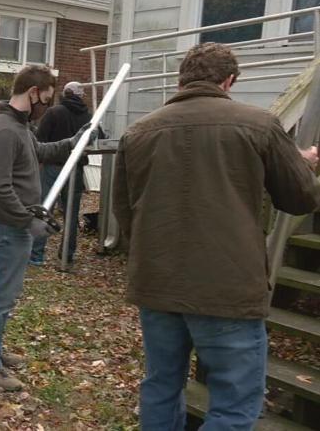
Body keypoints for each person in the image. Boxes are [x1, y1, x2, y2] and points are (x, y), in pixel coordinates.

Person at [112, 42, 320, 429]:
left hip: (158, 283)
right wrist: (303, 164)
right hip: (228, 288)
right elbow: (301, 197)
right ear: (229, 81)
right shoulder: (260, 125)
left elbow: (125, 211)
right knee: (235, 404)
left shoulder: (139, 131)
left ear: (181, 80)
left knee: (161, 386)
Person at [0, 64, 94, 390]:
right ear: (33, 93)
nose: (49, 104)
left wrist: (75, 140)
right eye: (47, 97)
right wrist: (28, 220)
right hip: (7, 227)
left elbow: (40, 151)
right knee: (1, 296)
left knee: (7, 296)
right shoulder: (4, 131)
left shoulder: (21, 127)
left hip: (15, 226)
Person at [29, 81, 92, 270]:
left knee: (44, 209)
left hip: (53, 167)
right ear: (80, 95)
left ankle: (37, 255)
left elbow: (40, 140)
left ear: (65, 93)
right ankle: (67, 255)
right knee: (71, 214)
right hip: (76, 169)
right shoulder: (88, 116)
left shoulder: (54, 112)